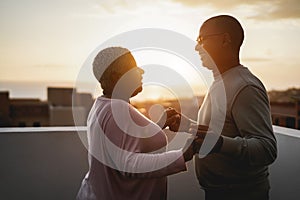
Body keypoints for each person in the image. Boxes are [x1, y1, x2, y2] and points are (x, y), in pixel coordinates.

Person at [167, 15, 277, 200]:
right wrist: (187, 125)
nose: (196, 47)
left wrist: (219, 143)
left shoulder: (245, 87)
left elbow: (267, 149)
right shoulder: (222, 80)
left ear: (225, 39)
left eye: (202, 39)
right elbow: (222, 129)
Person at [76, 47, 203, 200]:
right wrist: (183, 154)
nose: (141, 71)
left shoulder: (101, 105)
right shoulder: (117, 108)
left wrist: (158, 125)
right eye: (133, 68)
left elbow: (122, 142)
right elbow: (127, 164)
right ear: (117, 77)